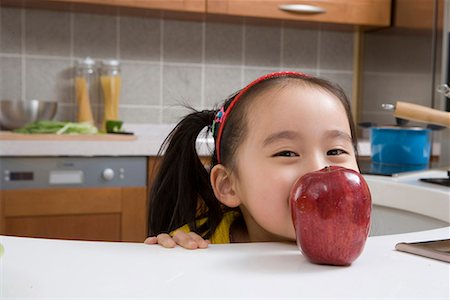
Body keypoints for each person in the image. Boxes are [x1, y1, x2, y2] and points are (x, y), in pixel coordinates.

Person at [144, 71, 359, 249]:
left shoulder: (354, 241)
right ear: (229, 185)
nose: (319, 169)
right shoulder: (199, 245)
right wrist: (171, 261)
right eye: (287, 153)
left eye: (336, 151)